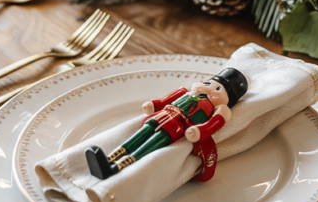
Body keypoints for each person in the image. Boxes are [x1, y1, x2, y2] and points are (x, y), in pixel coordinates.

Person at [85, 66, 248, 180]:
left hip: (176, 127)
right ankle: (108, 159)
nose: (210, 89)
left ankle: (116, 168)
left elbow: (214, 123)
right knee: (137, 137)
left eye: (218, 89)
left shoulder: (220, 109)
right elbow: (165, 101)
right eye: (209, 83)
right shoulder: (185, 92)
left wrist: (200, 131)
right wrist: (153, 105)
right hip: (161, 116)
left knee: (148, 146)